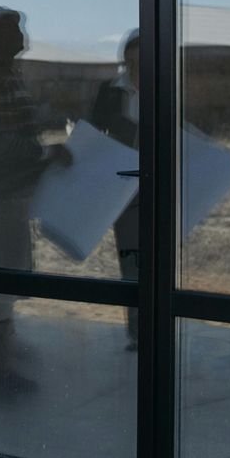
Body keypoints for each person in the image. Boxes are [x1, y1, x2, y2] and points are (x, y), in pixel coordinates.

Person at [0, 6, 70, 391]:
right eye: (15, 28)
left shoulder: (6, 77)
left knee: (10, 280)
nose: (23, 33)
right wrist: (47, 153)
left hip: (11, 193)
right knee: (6, 282)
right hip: (1, 194)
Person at [88, 30, 141, 351]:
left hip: (158, 187)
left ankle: (158, 323)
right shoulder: (109, 91)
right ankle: (137, 330)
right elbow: (95, 134)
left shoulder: (167, 83)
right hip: (121, 188)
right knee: (130, 260)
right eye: (134, 53)